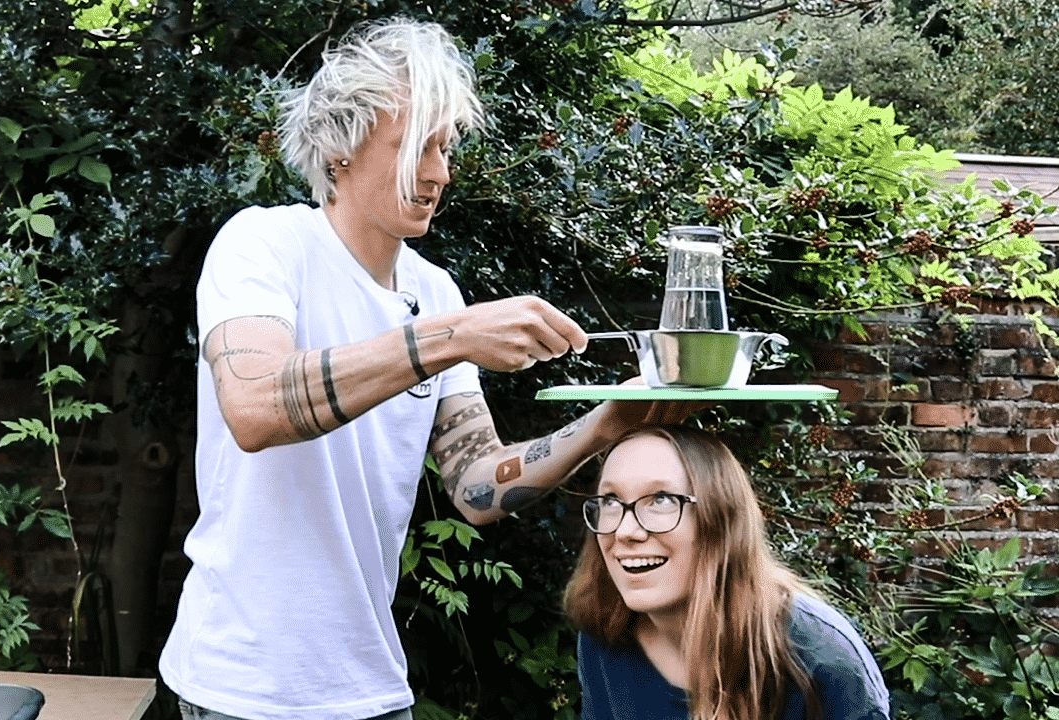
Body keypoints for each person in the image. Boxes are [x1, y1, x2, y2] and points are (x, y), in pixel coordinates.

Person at [158, 15, 705, 720]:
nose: (440, 173)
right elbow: (257, 408)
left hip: (373, 689)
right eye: (418, 146)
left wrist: (608, 423)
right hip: (240, 691)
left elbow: (477, 488)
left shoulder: (433, 291)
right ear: (341, 148)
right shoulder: (264, 244)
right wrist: (446, 337)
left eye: (446, 148)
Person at [564, 427, 890, 720]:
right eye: (610, 500)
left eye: (661, 500)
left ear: (721, 521)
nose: (625, 531)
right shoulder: (605, 633)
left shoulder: (821, 657)